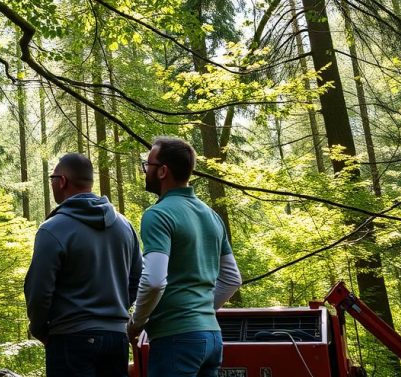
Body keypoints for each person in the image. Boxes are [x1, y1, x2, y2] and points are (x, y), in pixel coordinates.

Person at [127, 136, 242, 377]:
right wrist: (199, 314)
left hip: (175, 340)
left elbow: (154, 281)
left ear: (163, 171)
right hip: (212, 337)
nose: (145, 171)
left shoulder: (158, 215)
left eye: (149, 165)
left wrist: (135, 325)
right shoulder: (211, 216)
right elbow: (232, 279)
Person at [24, 153, 143, 377]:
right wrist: (114, 309)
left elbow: (39, 290)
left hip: (70, 339)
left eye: (52, 178)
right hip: (116, 339)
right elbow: (139, 278)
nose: (51, 184)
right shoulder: (125, 226)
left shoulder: (53, 228)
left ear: (62, 181)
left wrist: (40, 329)